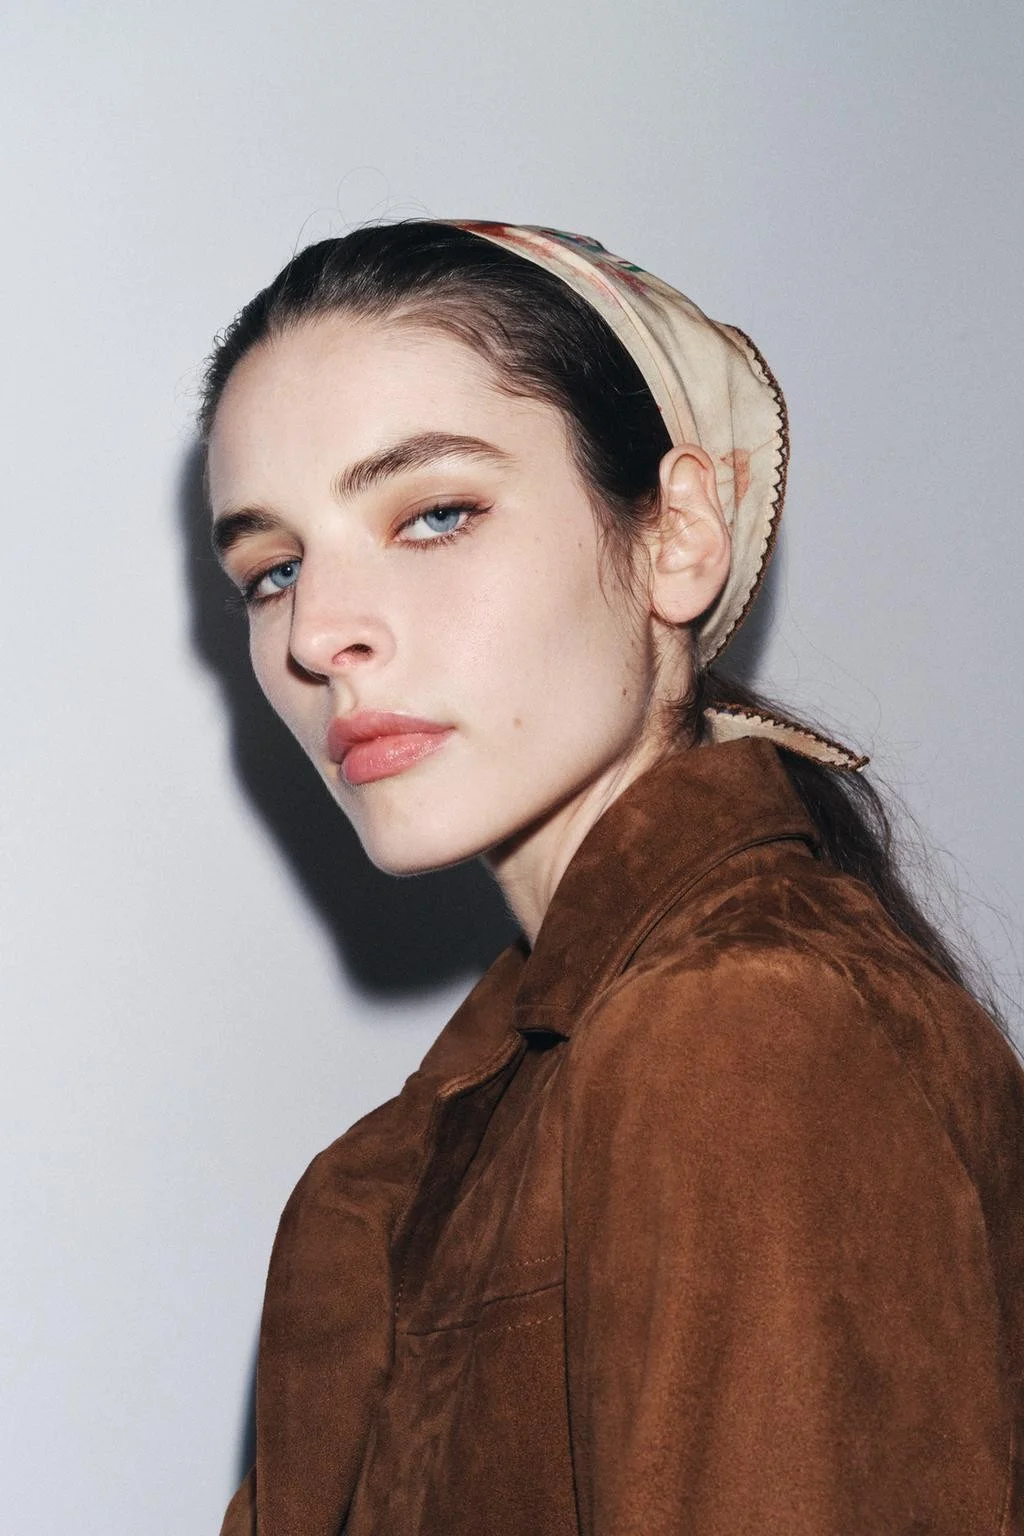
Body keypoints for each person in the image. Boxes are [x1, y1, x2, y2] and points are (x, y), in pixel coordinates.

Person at [200, 221, 1024, 1536]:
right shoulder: (413, 1157)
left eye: (434, 515)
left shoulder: (744, 1029)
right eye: (275, 568)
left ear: (677, 534)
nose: (318, 632)